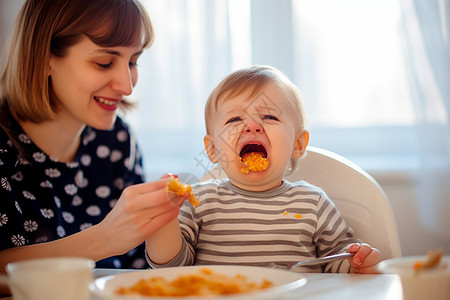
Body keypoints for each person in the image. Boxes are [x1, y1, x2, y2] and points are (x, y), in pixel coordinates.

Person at [0, 0, 187, 275]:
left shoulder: (117, 140)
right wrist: (103, 239)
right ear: (44, 58)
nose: (126, 86)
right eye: (104, 62)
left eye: (133, 61)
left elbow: (139, 271)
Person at [145, 65, 382, 273]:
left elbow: (338, 261)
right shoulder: (200, 202)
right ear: (213, 148)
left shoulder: (313, 204)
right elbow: (171, 267)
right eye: (234, 119)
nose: (251, 126)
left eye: (269, 116)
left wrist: (357, 262)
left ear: (297, 144)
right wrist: (163, 218)